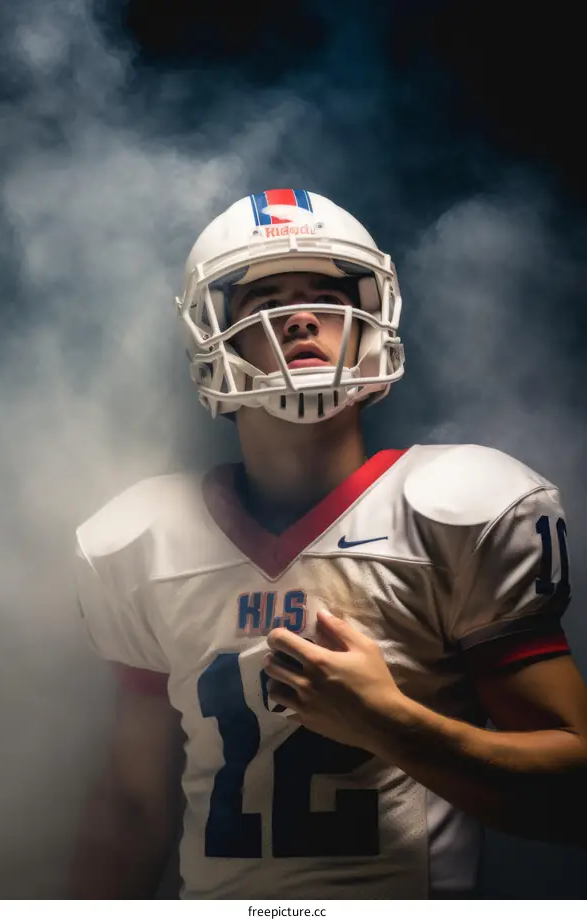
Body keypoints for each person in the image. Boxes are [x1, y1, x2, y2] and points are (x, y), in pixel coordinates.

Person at [71, 189, 587, 899]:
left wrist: (388, 722)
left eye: (324, 293)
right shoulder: (143, 540)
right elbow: (133, 809)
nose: (304, 315)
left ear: (371, 319)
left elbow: (571, 795)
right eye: (267, 301)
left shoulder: (459, 509)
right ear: (218, 333)